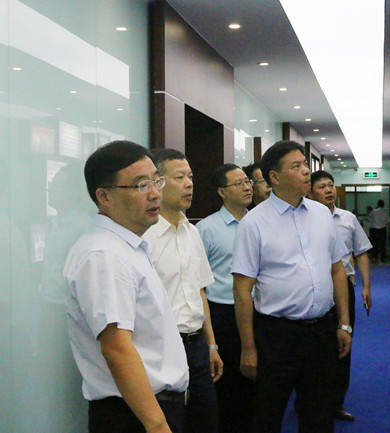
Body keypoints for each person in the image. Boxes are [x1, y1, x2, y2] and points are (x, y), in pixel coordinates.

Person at [64, 140, 189, 433]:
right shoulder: (104, 255)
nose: (155, 193)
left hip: (147, 408)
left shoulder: (128, 246)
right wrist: (157, 425)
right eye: (141, 185)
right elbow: (116, 348)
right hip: (133, 415)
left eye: (156, 181)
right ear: (104, 196)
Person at [231, 140, 352, 433]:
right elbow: (242, 290)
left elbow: (337, 269)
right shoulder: (254, 223)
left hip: (322, 331)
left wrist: (344, 323)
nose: (306, 171)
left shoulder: (322, 214)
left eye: (305, 164)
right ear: (274, 177)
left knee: (319, 413)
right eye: (296, 166)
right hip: (277, 335)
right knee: (268, 413)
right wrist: (248, 348)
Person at [143, 148, 222, 433]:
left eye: (191, 177)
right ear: (157, 184)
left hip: (196, 345)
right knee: (171, 423)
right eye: (180, 178)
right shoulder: (145, 238)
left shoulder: (193, 232)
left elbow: (200, 292)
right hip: (161, 347)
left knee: (206, 422)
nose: (189, 184)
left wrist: (211, 345)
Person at [309, 170, 373, 422]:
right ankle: (309, 400)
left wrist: (366, 286)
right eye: (322, 186)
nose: (328, 190)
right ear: (310, 192)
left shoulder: (348, 218)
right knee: (314, 346)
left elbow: (361, 252)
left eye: (331, 185)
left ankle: (336, 403)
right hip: (313, 287)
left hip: (344, 287)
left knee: (343, 343)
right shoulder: (304, 219)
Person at [196, 164, 256, 433]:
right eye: (238, 183)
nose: (247, 187)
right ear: (222, 192)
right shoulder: (206, 229)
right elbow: (198, 281)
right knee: (228, 383)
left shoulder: (260, 222)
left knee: (258, 381)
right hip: (223, 314)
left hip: (258, 311)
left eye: (248, 182)